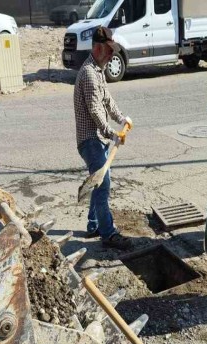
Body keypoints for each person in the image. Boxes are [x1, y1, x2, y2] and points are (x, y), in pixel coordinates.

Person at [73, 26, 133, 250]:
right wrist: (112, 132)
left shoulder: (98, 70)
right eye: (108, 50)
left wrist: (122, 119)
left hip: (98, 139)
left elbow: (107, 100)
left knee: (98, 182)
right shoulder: (89, 73)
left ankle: (93, 225)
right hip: (90, 141)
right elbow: (95, 110)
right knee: (103, 185)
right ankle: (108, 234)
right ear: (97, 48)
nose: (111, 55)